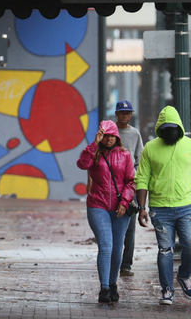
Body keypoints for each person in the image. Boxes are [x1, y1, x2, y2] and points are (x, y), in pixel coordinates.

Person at [135, 106, 191, 305]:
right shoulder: (150, 148)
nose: (170, 132)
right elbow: (142, 178)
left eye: (173, 128)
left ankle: (184, 276)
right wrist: (142, 207)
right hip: (160, 209)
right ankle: (167, 290)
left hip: (188, 206)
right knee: (165, 250)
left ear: (179, 127)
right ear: (160, 129)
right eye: (166, 128)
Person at [77, 120, 136, 303]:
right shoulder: (94, 153)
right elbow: (82, 164)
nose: (109, 139)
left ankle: (112, 284)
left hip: (120, 208)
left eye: (112, 135)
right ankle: (104, 288)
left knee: (117, 248)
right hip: (98, 205)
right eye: (106, 135)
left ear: (117, 136)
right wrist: (94, 144)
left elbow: (131, 181)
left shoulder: (125, 155)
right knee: (106, 246)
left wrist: (125, 202)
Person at [113, 100, 144, 277]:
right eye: (122, 112)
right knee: (111, 225)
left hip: (129, 185)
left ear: (131, 114)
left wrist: (135, 176)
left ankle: (126, 264)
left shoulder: (135, 134)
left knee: (129, 228)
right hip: (111, 185)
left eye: (128, 113)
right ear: (116, 114)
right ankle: (112, 261)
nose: (125, 116)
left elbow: (140, 159)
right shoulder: (110, 132)